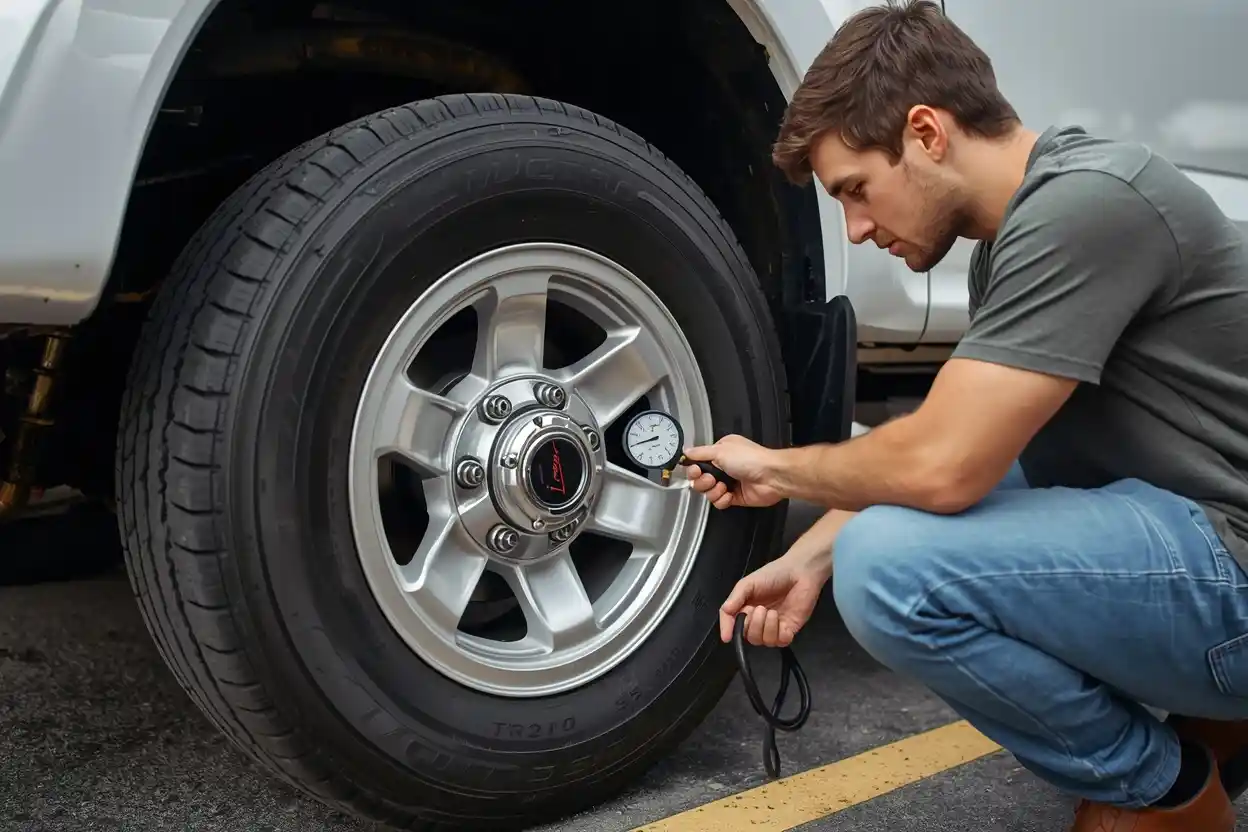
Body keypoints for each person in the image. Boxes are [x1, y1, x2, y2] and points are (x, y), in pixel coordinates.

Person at [680, 1, 1248, 829]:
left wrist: (776, 467)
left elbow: (945, 466)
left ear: (926, 132)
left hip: (1235, 568)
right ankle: (1216, 724)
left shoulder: (1090, 205)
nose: (856, 228)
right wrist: (808, 557)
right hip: (1211, 544)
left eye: (857, 190)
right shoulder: (1019, 239)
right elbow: (992, 449)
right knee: (892, 535)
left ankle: (1169, 791)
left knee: (889, 571)